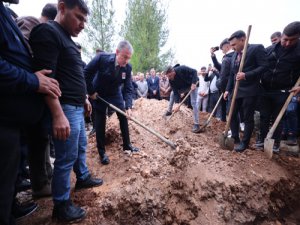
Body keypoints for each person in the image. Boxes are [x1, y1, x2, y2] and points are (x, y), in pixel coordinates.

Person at [29, 0, 103, 222]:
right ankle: (61, 205)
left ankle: (82, 177)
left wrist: (83, 98)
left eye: (84, 20)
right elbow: (46, 77)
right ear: (62, 7)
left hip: (76, 105)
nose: (82, 24)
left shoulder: (67, 39)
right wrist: (57, 113)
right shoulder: (48, 32)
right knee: (65, 157)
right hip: (64, 107)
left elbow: (72, 74)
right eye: (78, 17)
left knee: (80, 146)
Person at [0, 0, 61, 224]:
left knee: (8, 182)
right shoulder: (34, 25)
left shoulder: (5, 14)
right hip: (6, 116)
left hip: (16, 118)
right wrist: (32, 79)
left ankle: (11, 208)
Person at [84, 40, 140, 165]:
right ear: (117, 52)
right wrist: (91, 92)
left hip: (115, 94)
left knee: (124, 116)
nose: (126, 61)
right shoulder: (102, 59)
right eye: (124, 57)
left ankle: (127, 145)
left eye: (129, 58)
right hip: (99, 93)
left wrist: (129, 106)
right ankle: (102, 152)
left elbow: (128, 87)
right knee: (100, 121)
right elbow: (86, 73)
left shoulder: (128, 67)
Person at [256, 21, 300, 151]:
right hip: (265, 89)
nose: (287, 43)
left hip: (284, 91)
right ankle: (261, 140)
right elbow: (259, 65)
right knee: (264, 115)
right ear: (282, 36)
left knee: (278, 118)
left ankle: (275, 144)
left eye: (292, 40)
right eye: (285, 39)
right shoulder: (270, 50)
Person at [224, 30, 268, 152]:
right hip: (236, 90)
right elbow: (233, 75)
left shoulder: (256, 48)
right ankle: (235, 137)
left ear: (243, 39)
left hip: (250, 89)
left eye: (234, 45)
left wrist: (247, 75)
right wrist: (228, 90)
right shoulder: (234, 55)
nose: (232, 48)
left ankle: (245, 143)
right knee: (231, 113)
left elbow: (264, 67)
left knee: (247, 117)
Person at [165, 64, 200, 133]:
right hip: (184, 87)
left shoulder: (182, 68)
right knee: (172, 93)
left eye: (169, 76)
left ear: (173, 72)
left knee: (193, 102)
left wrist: (193, 83)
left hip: (193, 84)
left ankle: (196, 124)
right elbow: (175, 92)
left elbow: (194, 72)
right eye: (167, 76)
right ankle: (169, 111)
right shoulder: (171, 80)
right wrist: (177, 103)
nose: (169, 78)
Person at [210, 38, 235, 121]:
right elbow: (220, 68)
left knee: (232, 107)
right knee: (224, 104)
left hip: (231, 86)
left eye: (222, 48)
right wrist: (213, 55)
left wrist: (225, 88)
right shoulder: (226, 57)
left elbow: (229, 73)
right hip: (224, 86)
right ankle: (223, 120)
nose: (221, 50)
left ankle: (236, 126)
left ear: (227, 46)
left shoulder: (233, 56)